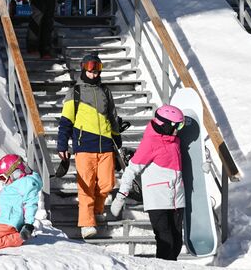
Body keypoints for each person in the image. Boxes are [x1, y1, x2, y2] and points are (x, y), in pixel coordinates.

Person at [56, 54, 122, 239]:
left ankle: (97, 209)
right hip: (84, 146)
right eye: (91, 70)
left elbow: (113, 116)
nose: (94, 74)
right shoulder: (75, 92)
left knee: (107, 183)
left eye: (97, 70)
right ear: (84, 69)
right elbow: (66, 121)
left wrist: (117, 138)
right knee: (86, 187)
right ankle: (86, 224)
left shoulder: (105, 91)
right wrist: (62, 144)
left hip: (106, 145)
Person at [110, 105, 186, 261]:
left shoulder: (175, 140)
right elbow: (131, 170)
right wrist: (120, 196)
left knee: (177, 242)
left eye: (181, 125)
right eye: (177, 125)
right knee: (166, 242)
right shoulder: (150, 143)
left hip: (177, 198)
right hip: (158, 200)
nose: (179, 129)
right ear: (166, 125)